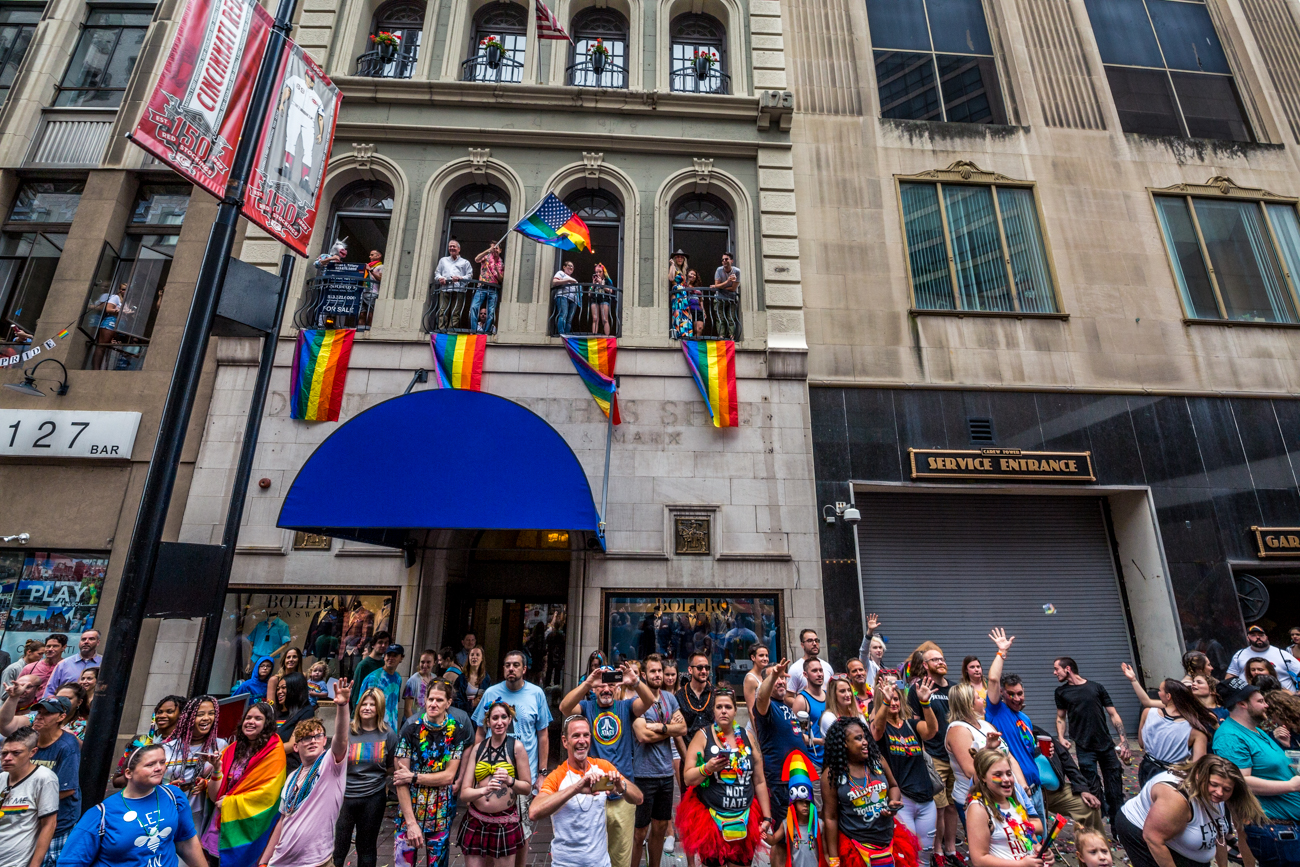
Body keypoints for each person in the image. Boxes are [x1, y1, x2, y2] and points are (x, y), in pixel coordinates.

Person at [558, 661, 654, 867]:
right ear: (594, 689)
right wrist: (587, 684)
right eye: (601, 684)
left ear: (617, 687)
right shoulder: (586, 707)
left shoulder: (625, 707)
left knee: (620, 858)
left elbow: (649, 700)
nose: (606, 688)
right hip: (595, 794)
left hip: (621, 794)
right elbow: (564, 707)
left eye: (611, 684)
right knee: (593, 855)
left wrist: (635, 681)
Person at [58, 743, 206, 867]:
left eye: (162, 762)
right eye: (150, 764)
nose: (159, 768)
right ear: (128, 773)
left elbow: (186, 841)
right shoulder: (101, 814)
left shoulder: (173, 796)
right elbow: (70, 862)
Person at [472, 649, 553, 867]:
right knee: (491, 825)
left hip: (524, 776)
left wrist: (543, 774)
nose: (511, 668)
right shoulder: (491, 693)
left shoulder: (536, 694)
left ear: (524, 669)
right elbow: (480, 731)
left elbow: (543, 734)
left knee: (522, 829)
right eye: (507, 664)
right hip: (490, 775)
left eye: (516, 665)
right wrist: (472, 768)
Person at [259, 679, 353, 867]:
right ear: (295, 746)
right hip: (281, 861)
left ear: (324, 741)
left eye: (317, 736)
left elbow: (341, 739)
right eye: (306, 738)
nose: (312, 741)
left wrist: (342, 706)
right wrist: (264, 861)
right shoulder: (292, 777)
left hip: (316, 861)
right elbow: (283, 821)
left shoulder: (330, 765)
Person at [533, 714, 645, 867]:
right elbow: (534, 812)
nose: (582, 741)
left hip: (600, 862)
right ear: (565, 742)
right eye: (576, 736)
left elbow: (638, 798)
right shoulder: (557, 776)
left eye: (586, 735)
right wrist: (576, 789)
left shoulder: (602, 767)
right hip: (565, 863)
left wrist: (621, 787)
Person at [676, 688, 770, 866]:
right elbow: (688, 778)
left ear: (735, 710)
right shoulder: (702, 736)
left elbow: (759, 780)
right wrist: (707, 768)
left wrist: (766, 818)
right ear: (713, 711)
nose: (723, 711)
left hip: (744, 817)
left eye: (728, 706)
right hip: (712, 820)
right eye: (719, 707)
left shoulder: (747, 736)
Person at [1116, 754, 1265, 867]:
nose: (1219, 793)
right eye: (1214, 784)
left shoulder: (1220, 797)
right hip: (1140, 830)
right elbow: (1153, 839)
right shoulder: (1176, 800)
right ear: (1200, 777)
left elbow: (1220, 837)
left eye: (1226, 789)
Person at [1212, 682, 1300, 865]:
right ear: (1242, 704)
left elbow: (1269, 767)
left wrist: (1286, 752)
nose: (1266, 705)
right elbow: (1241, 781)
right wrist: (1292, 785)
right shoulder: (1230, 737)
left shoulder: (1256, 730)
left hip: (1289, 827)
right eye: (1260, 701)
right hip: (1276, 830)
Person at [396, 679, 474, 867]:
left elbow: (448, 777)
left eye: (439, 700)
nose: (433, 704)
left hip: (440, 812)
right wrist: (411, 823)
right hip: (410, 810)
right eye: (430, 699)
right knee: (403, 864)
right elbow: (400, 780)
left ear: (448, 703)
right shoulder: (409, 728)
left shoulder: (457, 731)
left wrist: (414, 777)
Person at [206, 701, 287, 865]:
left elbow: (268, 796)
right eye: (248, 717)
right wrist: (216, 769)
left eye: (258, 718)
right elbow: (216, 795)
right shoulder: (232, 749)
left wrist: (230, 802)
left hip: (247, 826)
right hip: (220, 823)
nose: (250, 721)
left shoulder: (274, 752)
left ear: (267, 724)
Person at [1053, 656, 1129, 828]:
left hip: (1106, 745)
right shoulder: (1061, 692)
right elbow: (1060, 717)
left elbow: (1113, 714)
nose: (1054, 672)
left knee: (1114, 788)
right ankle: (1097, 827)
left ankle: (1118, 827)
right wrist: (1061, 737)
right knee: (1092, 790)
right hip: (1084, 747)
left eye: (1056, 669)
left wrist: (1123, 740)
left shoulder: (1096, 687)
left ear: (1068, 669)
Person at [870, 677, 938, 865]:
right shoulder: (880, 727)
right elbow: (876, 731)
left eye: (896, 699)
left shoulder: (911, 725)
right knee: (906, 854)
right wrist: (884, 701)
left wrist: (925, 704)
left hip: (925, 798)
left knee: (925, 854)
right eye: (889, 699)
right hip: (901, 799)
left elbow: (932, 731)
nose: (894, 702)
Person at [822, 716, 908, 867]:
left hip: (888, 839)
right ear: (844, 744)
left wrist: (892, 803)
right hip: (855, 846)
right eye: (858, 738)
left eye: (865, 737)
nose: (865, 742)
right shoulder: (833, 774)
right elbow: (830, 817)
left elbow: (894, 786)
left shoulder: (877, 761)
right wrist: (834, 857)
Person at [456, 699, 532, 867]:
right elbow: (464, 793)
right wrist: (483, 790)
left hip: (504, 824)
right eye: (495, 718)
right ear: (488, 722)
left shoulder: (516, 748)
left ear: (509, 720)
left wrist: (510, 780)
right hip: (476, 821)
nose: (499, 722)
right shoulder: (478, 749)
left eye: (503, 717)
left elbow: (527, 788)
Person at [984, 629, 1046, 821]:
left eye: (1020, 693)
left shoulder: (1025, 719)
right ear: (1002, 693)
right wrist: (1002, 652)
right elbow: (993, 679)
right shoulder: (996, 711)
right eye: (1012, 694)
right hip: (1017, 790)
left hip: (1036, 789)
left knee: (1042, 841)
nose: (1017, 698)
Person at [1120, 663, 1216, 784]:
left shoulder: (1149, 713)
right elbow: (1198, 765)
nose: (1158, 694)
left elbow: (1142, 743)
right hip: (1175, 774)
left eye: (1160, 691)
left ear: (1168, 696)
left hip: (1148, 767)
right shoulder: (1197, 728)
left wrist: (1133, 680)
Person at [946, 682, 1029, 823]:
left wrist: (1022, 786)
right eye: (978, 698)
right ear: (969, 705)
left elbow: (1007, 756)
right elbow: (971, 772)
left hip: (1004, 794)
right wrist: (988, 749)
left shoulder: (986, 725)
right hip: (979, 800)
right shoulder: (958, 730)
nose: (983, 700)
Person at [334, 687, 398, 867]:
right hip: (345, 797)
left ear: (380, 709)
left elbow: (391, 767)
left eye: (372, 704)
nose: (367, 707)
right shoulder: (347, 731)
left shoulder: (388, 734)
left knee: (367, 848)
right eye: (364, 703)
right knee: (338, 848)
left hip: (373, 798)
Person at [632, 654, 686, 867]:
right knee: (639, 832)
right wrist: (669, 730)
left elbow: (682, 728)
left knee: (661, 827)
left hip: (665, 774)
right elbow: (643, 736)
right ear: (644, 675)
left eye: (660, 671)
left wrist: (660, 727)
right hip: (644, 775)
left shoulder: (670, 698)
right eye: (653, 671)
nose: (657, 675)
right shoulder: (637, 702)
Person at [907, 643, 958, 866]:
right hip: (934, 755)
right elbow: (914, 722)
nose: (941, 662)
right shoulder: (917, 688)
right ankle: (936, 851)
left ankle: (951, 849)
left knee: (953, 805)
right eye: (935, 660)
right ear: (925, 665)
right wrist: (924, 752)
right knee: (938, 806)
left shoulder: (955, 689)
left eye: (942, 658)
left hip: (955, 757)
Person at [161, 695, 226, 861]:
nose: (206, 718)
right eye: (200, 714)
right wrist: (167, 788)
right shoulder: (167, 748)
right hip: (166, 814)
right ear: (189, 717)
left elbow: (220, 785)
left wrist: (206, 782)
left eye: (211, 713)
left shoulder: (219, 746)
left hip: (197, 815)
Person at [963, 749, 1051, 867]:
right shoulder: (978, 808)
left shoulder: (1016, 799)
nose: (1006, 779)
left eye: (1009, 773)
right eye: (998, 775)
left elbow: (1030, 838)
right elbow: (979, 859)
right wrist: (1021, 864)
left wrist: (1041, 851)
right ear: (982, 777)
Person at [19, 696, 78, 867]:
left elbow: (67, 789)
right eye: (39, 712)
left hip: (58, 822)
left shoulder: (66, 746)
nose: (39, 717)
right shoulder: (28, 739)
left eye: (47, 714)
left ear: (61, 717)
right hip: (29, 820)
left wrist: (26, 800)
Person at [754, 658, 810, 822]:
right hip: (779, 780)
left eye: (782, 677)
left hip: (798, 776)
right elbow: (761, 697)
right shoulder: (766, 706)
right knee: (783, 831)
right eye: (774, 677)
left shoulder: (786, 706)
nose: (780, 681)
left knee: (801, 829)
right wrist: (771, 678)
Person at [0, 727, 58, 867]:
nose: (7, 758)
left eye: (16, 753)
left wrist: (35, 864)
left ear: (32, 752)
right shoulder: (2, 777)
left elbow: (49, 825)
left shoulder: (44, 778)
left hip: (16, 861)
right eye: (4, 753)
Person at [1032, 724, 1104, 833]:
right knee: (1034, 827)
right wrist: (1036, 752)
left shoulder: (1032, 728)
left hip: (1055, 792)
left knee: (1088, 806)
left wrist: (1082, 788)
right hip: (1028, 794)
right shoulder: (1004, 733)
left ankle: (1096, 848)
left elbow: (1064, 756)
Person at [112, 695, 185, 788]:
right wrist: (142, 775)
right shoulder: (139, 743)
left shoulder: (187, 745)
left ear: (182, 715)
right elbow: (116, 780)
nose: (162, 716)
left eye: (169, 712)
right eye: (159, 712)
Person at [769, 752, 823, 867]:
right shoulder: (786, 824)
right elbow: (773, 840)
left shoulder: (819, 825)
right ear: (793, 804)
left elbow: (826, 852)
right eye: (801, 802)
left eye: (808, 803)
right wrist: (764, 834)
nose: (805, 806)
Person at [1228, 626, 1300, 691]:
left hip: (1281, 698)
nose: (1258, 637)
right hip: (1251, 698)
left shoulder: (1282, 654)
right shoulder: (1239, 654)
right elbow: (1230, 676)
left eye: (1261, 635)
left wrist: (1295, 694)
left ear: (1266, 637)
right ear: (1248, 638)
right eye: (1253, 635)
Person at [791, 658, 829, 769]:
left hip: (832, 760)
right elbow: (797, 735)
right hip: (814, 761)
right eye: (815, 671)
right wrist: (821, 741)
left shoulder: (829, 696)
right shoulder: (801, 700)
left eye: (821, 670)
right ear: (805, 674)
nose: (819, 674)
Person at [273, 672, 316, 770]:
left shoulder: (306, 712)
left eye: (284, 688)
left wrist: (263, 751)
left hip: (290, 769)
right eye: (278, 688)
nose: (279, 691)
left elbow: (292, 745)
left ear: (295, 689)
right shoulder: (274, 712)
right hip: (271, 765)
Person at [361, 643, 407, 730]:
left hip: (391, 729)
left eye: (395, 655)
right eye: (388, 655)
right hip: (374, 728)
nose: (391, 658)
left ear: (401, 658)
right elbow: (361, 705)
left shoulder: (398, 678)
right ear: (384, 656)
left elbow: (394, 705)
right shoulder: (373, 678)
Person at [42, 630, 99, 698]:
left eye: (91, 639)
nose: (86, 642)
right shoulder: (64, 664)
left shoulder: (104, 664)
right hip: (66, 706)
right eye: (83, 639)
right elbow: (50, 691)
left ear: (98, 642)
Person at [787, 629, 836, 696]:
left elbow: (834, 691)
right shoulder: (795, 669)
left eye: (816, 640)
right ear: (802, 645)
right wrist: (806, 705)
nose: (815, 644)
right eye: (810, 641)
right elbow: (788, 697)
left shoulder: (827, 666)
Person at [472, 242, 503, 334]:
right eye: (493, 248)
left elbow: (501, 279)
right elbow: (476, 259)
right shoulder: (486, 257)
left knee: (491, 312)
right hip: (482, 287)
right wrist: (488, 251)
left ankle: (486, 332)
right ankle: (474, 330)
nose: (495, 250)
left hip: (493, 288)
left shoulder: (501, 263)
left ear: (500, 250)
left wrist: (497, 270)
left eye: (496, 248)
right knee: (474, 307)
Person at [710, 253, 740, 339]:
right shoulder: (719, 270)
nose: (724, 261)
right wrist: (727, 282)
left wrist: (719, 287)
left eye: (726, 259)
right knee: (720, 318)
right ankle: (721, 336)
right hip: (719, 298)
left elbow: (733, 288)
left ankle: (731, 336)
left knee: (731, 318)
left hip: (731, 299)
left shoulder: (737, 271)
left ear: (731, 261)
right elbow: (717, 285)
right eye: (722, 260)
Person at [405, 650, 439, 720]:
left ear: (434, 662)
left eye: (428, 662)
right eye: (422, 662)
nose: (425, 665)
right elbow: (407, 709)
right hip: (415, 722)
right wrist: (414, 726)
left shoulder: (435, 678)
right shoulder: (413, 681)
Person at [552, 260, 581, 333]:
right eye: (569, 265)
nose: (571, 268)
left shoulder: (574, 280)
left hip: (573, 300)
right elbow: (554, 282)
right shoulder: (560, 273)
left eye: (572, 267)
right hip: (563, 296)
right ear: (564, 267)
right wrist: (567, 280)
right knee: (563, 314)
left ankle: (567, 335)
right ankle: (561, 334)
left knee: (569, 319)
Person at [742, 643, 770, 709]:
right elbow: (751, 708)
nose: (765, 658)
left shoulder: (768, 675)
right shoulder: (750, 679)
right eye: (761, 655)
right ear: (753, 657)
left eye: (766, 655)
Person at [463, 646, 492, 712]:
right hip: (465, 714)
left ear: (482, 659)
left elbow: (490, 698)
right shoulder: (461, 679)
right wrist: (472, 704)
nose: (474, 657)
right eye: (472, 655)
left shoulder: (486, 678)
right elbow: (456, 701)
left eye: (477, 655)